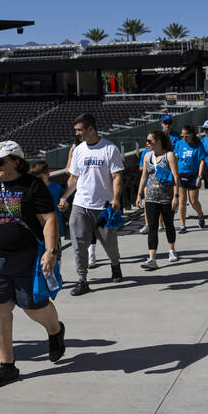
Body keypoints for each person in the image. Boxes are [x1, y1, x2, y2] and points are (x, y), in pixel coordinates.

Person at [0, 141, 65, 389]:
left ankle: (55, 330)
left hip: (25, 259)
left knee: (33, 307)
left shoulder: (33, 186)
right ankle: (7, 366)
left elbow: (48, 220)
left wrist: (51, 251)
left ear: (16, 161)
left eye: (0, 161)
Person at [57, 114, 125, 295]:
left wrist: (116, 199)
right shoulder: (79, 150)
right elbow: (74, 178)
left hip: (102, 207)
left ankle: (115, 264)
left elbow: (117, 176)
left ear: (90, 129)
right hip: (80, 205)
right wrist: (64, 198)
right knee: (78, 244)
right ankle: (82, 280)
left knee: (109, 243)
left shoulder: (109, 149)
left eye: (79, 130)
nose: (77, 133)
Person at [136, 130, 180, 269]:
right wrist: (139, 194)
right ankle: (152, 258)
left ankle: (171, 250)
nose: (147, 143)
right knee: (152, 227)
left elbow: (175, 177)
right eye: (147, 141)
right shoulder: (147, 156)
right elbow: (144, 176)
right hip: (151, 197)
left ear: (158, 141)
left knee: (169, 225)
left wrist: (176, 196)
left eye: (150, 141)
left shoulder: (169, 155)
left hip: (166, 197)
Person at [174, 124, 208, 232]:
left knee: (193, 201)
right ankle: (183, 225)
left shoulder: (198, 145)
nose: (184, 138)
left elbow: (202, 161)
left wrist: (199, 176)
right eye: (182, 136)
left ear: (192, 135)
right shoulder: (179, 143)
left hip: (193, 175)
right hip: (181, 174)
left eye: (186, 136)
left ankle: (201, 215)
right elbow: (175, 158)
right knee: (182, 201)